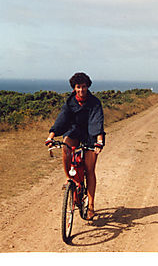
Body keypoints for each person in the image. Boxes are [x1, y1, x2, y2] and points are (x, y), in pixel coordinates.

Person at [45, 72, 105, 220]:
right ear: (74, 88)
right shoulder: (70, 102)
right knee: (66, 147)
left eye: (84, 87)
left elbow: (97, 122)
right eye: (78, 87)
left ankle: (90, 205)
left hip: (91, 134)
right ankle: (69, 179)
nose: (81, 90)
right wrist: (51, 136)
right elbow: (61, 120)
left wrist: (99, 140)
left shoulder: (95, 102)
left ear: (87, 87)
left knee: (90, 169)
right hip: (74, 131)